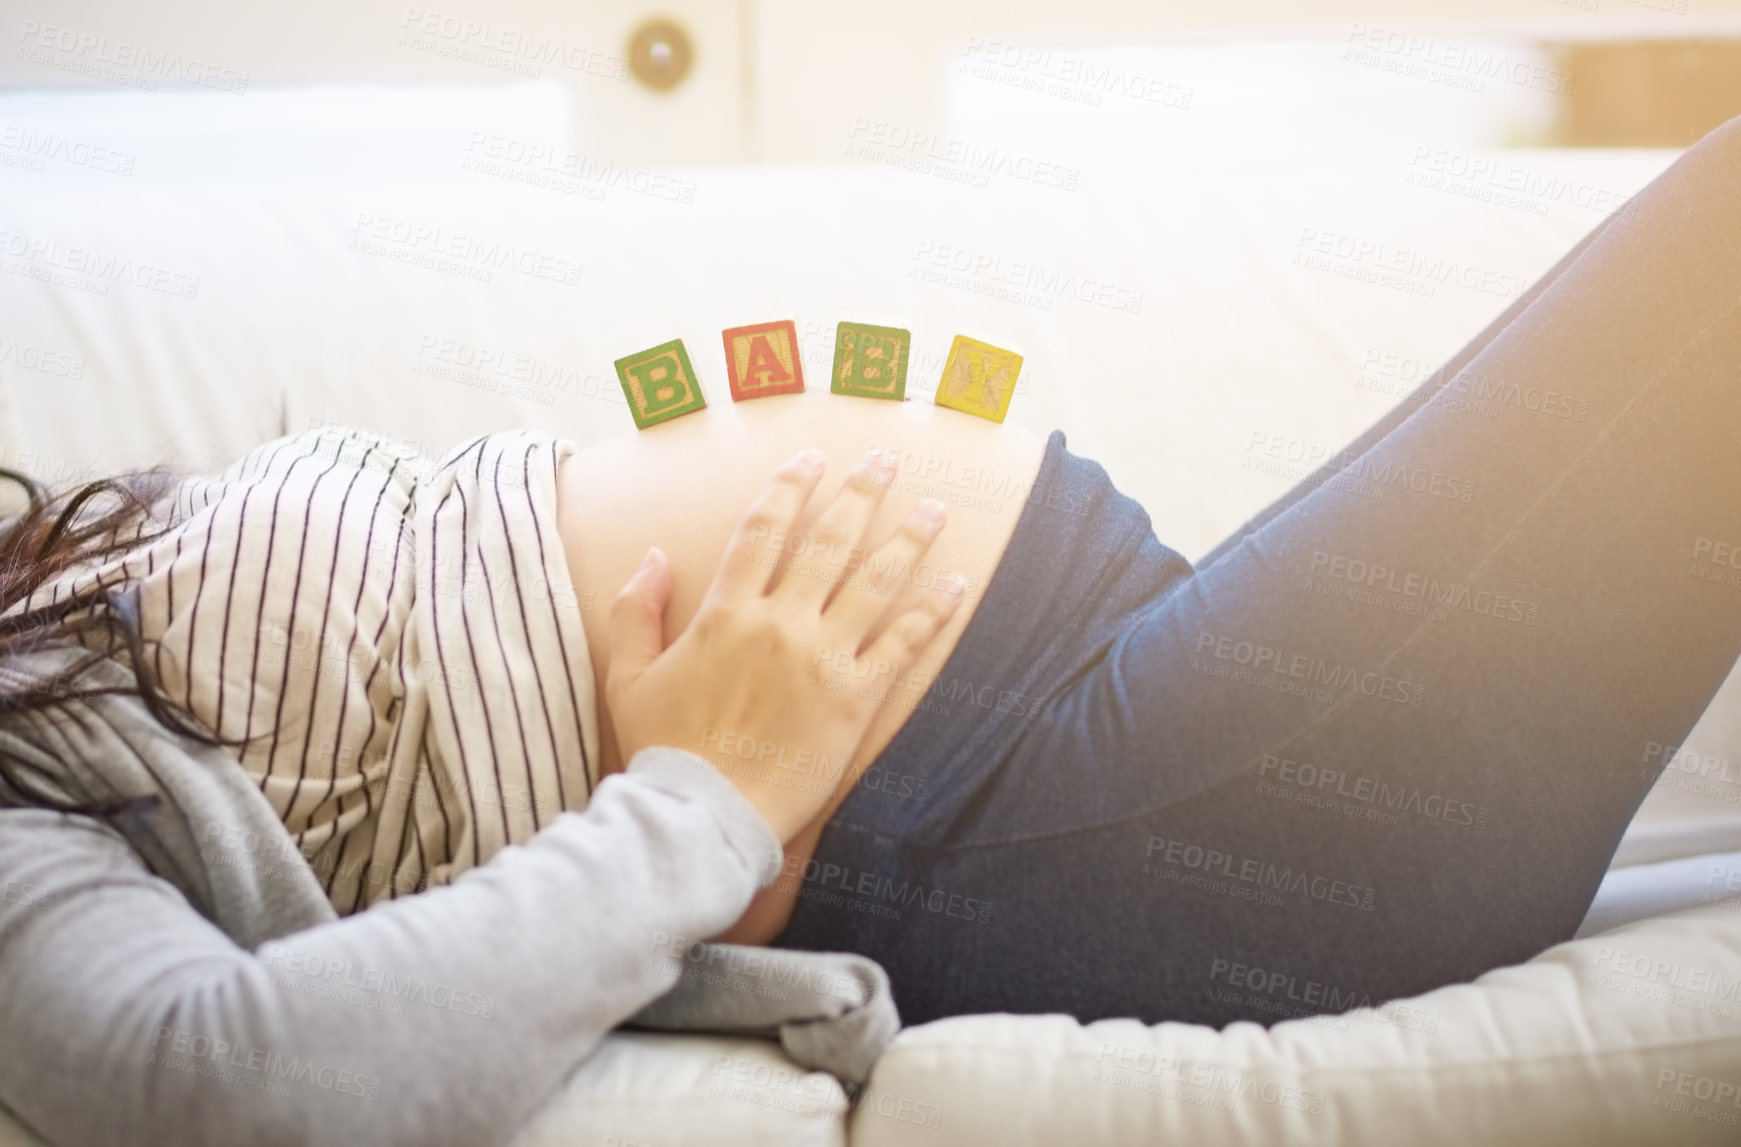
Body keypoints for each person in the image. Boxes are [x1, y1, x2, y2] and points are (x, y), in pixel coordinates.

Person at [5, 105, 1741, 1145]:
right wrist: (712, 788)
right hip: (1027, 830)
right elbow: (214, 1087)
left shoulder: (43, 590)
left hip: (1083, 677)